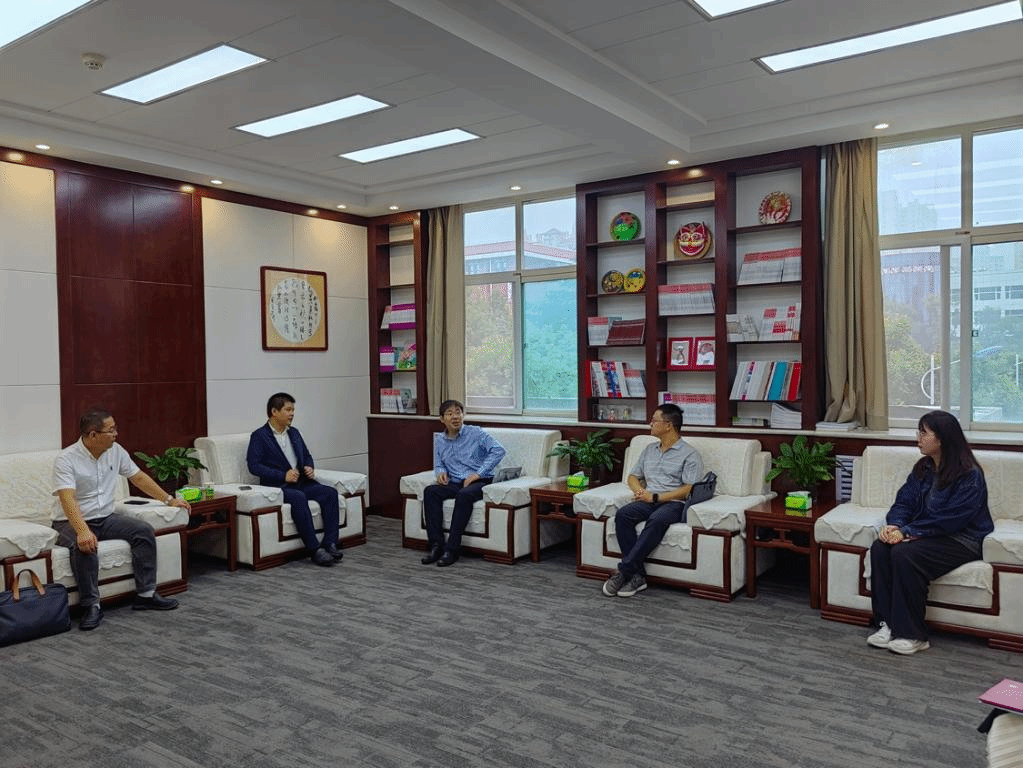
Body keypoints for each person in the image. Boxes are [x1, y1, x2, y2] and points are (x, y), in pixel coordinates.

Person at [867, 410, 994, 655]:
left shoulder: (969, 474)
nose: (918, 438)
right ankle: (887, 625)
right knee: (880, 547)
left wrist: (907, 531)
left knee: (905, 553)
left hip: (961, 539)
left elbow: (951, 520)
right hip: (927, 534)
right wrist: (895, 525)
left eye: (924, 433)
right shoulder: (923, 468)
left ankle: (913, 635)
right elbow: (904, 502)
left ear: (942, 439)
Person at [52, 409, 188, 631]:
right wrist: (83, 531)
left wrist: (169, 499)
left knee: (143, 531)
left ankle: (146, 595)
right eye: (111, 430)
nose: (116, 434)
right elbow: (68, 498)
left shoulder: (115, 451)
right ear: (93, 435)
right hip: (69, 521)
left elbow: (138, 477)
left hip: (105, 518)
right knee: (85, 545)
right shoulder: (66, 459)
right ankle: (91, 606)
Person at [602, 403, 704, 598]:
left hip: (674, 503)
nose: (650, 424)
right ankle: (638, 576)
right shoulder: (649, 449)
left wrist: (656, 497)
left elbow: (689, 489)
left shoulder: (690, 454)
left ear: (668, 425)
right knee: (623, 515)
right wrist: (641, 492)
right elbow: (633, 476)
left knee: (656, 520)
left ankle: (624, 571)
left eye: (654, 420)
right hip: (648, 499)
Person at [247, 392, 343, 567]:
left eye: (293, 410)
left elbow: (306, 456)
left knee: (330, 493)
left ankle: (330, 542)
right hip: (278, 487)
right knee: (298, 498)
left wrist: (309, 467)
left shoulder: (294, 433)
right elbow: (254, 466)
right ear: (274, 412)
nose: (292, 414)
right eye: (288, 410)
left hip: (301, 483)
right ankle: (314, 549)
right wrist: (282, 475)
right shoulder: (259, 436)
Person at [421, 399, 505, 567]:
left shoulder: (476, 433)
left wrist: (478, 473)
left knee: (464, 495)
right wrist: (440, 472)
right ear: (442, 419)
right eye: (450, 414)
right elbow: (438, 464)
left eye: (458, 412)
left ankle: (452, 549)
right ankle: (436, 546)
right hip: (455, 481)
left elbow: (498, 450)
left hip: (480, 481)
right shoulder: (440, 440)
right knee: (430, 491)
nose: (455, 417)